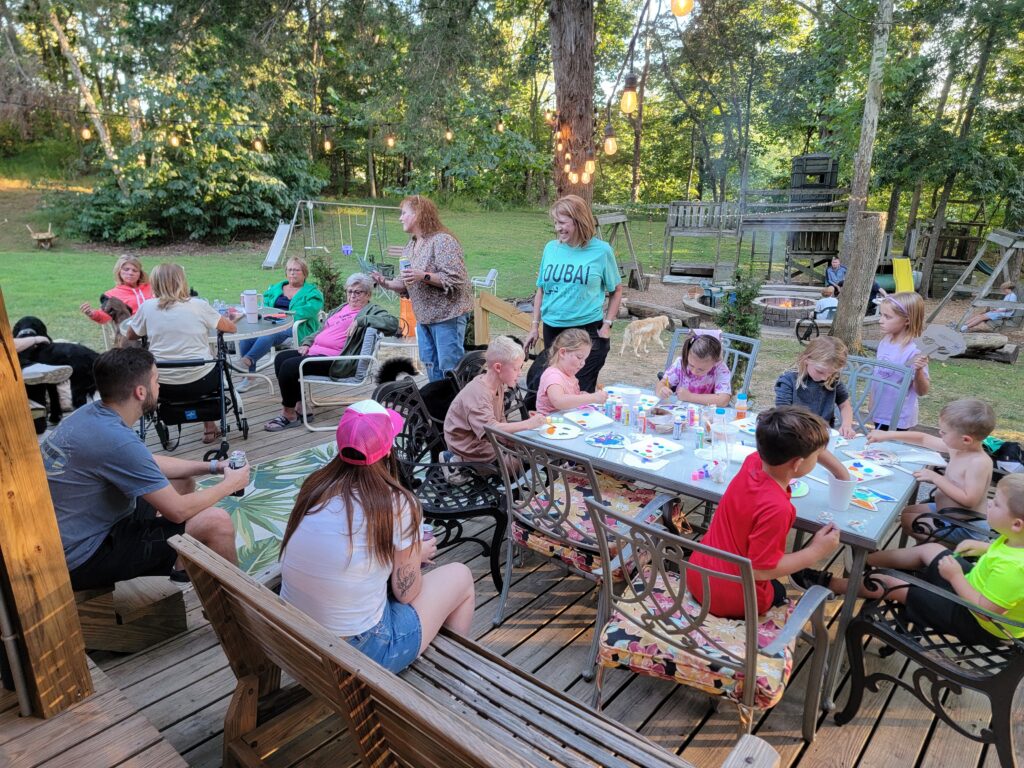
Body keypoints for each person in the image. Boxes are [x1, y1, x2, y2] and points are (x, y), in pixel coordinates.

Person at [280, 399, 475, 673]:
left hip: (296, 638)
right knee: (461, 576)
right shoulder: (397, 503)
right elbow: (407, 594)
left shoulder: (315, 487)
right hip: (359, 652)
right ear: (387, 451)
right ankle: (453, 676)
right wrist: (415, 554)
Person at [42, 347, 245, 589]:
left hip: (72, 530)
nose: (159, 387)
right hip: (83, 555)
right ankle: (233, 615)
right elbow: (177, 512)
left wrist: (212, 466)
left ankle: (180, 560)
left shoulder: (91, 415)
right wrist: (230, 484)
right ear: (141, 392)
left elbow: (146, 462)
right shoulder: (115, 439)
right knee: (217, 522)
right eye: (156, 381)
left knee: (182, 480)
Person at [792, 474, 1024, 646]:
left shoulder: (1015, 569)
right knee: (930, 549)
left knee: (889, 583)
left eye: (996, 504)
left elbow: (985, 611)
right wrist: (982, 547)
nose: (989, 504)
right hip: (974, 586)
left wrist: (954, 577)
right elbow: (1002, 556)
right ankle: (866, 558)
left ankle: (829, 584)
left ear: (1016, 524)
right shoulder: (1016, 539)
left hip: (976, 621)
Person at [686, 406, 849, 619]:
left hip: (699, 575)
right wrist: (816, 551)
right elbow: (759, 571)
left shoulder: (754, 461)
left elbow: (797, 448)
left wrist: (841, 474)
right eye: (817, 455)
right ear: (798, 463)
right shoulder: (777, 508)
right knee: (777, 591)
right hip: (733, 599)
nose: (819, 457)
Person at [265, 273, 397, 431]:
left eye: (358, 292)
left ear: (368, 294)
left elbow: (393, 323)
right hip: (314, 352)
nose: (353, 296)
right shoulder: (342, 308)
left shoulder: (372, 310)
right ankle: (300, 408)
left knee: (289, 367)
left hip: (335, 360)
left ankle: (289, 415)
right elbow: (322, 330)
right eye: (350, 291)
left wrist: (362, 320)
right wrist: (307, 343)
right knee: (281, 358)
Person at [127, 263, 238, 444]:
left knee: (173, 371)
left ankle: (203, 425)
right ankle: (209, 427)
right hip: (203, 381)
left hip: (162, 384)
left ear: (155, 283)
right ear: (182, 282)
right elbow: (231, 328)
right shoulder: (198, 305)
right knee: (206, 365)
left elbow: (131, 334)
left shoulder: (147, 307)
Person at [523, 195, 623, 393]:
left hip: (585, 332)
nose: (558, 228)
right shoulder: (551, 248)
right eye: (555, 223)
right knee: (551, 386)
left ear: (579, 221)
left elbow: (616, 290)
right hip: (553, 329)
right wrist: (534, 326)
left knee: (579, 391)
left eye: (562, 222)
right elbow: (541, 289)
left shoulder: (602, 251)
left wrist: (607, 325)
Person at [371, 195, 473, 382]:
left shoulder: (442, 241)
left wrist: (423, 276)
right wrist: (385, 282)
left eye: (403, 213)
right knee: (431, 365)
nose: (400, 218)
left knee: (450, 367)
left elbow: (456, 278)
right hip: (424, 318)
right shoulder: (410, 246)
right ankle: (438, 405)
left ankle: (455, 408)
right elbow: (404, 282)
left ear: (418, 214)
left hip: (447, 316)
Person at [868, 398, 995, 544]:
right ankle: (929, 547)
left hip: (966, 528)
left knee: (910, 520)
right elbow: (923, 439)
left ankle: (939, 551)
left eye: (944, 432)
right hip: (947, 512)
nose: (940, 434)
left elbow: (969, 499)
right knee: (907, 512)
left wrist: (936, 478)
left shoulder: (978, 462)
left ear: (966, 439)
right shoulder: (958, 447)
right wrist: (888, 435)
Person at [444, 336, 545, 466]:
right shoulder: (479, 394)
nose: (520, 373)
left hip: (486, 437)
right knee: (517, 464)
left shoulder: (497, 384)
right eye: (516, 368)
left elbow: (500, 419)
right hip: (468, 447)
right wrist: (528, 424)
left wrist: (512, 439)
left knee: (530, 448)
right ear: (498, 368)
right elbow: (491, 428)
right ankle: (456, 463)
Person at [236, 257, 324, 387]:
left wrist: (284, 315)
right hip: (270, 322)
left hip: (295, 325)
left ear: (304, 273)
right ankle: (250, 377)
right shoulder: (276, 288)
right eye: (290, 270)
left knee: (269, 335)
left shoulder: (312, 292)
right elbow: (265, 304)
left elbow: (309, 310)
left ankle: (248, 359)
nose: (292, 273)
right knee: (247, 337)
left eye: (296, 270)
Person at [774, 336, 856, 438]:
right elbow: (782, 412)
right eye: (820, 371)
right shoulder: (788, 380)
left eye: (831, 373)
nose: (825, 377)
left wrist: (847, 425)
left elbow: (845, 405)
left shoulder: (833, 380)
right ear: (807, 359)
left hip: (823, 436)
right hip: (794, 434)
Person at [872, 292, 929, 430]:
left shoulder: (914, 351)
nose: (880, 320)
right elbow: (877, 376)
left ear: (907, 320)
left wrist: (919, 370)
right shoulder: (884, 342)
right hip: (878, 412)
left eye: (887, 316)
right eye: (881, 315)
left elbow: (922, 391)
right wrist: (872, 403)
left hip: (898, 416)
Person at [536, 328, 609, 415]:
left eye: (585, 359)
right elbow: (559, 401)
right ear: (562, 352)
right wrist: (592, 398)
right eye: (579, 357)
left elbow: (568, 397)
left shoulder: (568, 373)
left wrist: (580, 396)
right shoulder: (553, 376)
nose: (583, 363)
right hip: (550, 424)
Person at [655, 330, 732, 407]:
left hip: (706, 413)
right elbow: (662, 383)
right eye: (691, 365)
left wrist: (690, 397)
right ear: (687, 355)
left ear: (715, 362)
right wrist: (661, 390)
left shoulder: (720, 368)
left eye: (701, 369)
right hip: (680, 410)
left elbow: (723, 400)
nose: (694, 372)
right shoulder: (681, 362)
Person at [81, 255, 155, 325]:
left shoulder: (152, 287)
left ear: (140, 273)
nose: (130, 273)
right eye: (126, 269)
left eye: (135, 270)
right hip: (132, 333)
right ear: (119, 272)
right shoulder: (111, 295)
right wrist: (92, 314)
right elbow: (105, 316)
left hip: (156, 328)